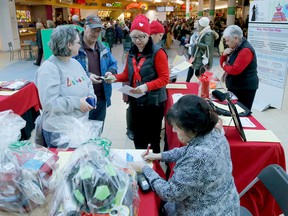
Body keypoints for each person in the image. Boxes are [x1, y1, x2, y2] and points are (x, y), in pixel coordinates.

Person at [130, 95, 240, 215]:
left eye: (177, 128)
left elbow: (170, 193)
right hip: (225, 203)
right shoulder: (213, 133)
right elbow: (189, 150)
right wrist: (160, 156)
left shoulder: (198, 157)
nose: (173, 131)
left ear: (192, 129)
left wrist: (145, 169)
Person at [106, 15, 169, 153]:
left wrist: (146, 86)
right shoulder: (132, 53)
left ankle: (154, 169)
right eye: (134, 37)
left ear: (148, 35)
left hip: (154, 102)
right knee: (138, 138)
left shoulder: (158, 53)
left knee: (152, 139)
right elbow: (127, 74)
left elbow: (165, 78)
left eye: (141, 36)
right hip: (136, 100)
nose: (138, 41)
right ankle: (140, 166)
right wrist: (114, 78)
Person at [35, 25, 96, 147]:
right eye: (78, 42)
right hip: (59, 131)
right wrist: (77, 103)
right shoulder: (49, 68)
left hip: (78, 126)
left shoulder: (74, 62)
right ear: (69, 45)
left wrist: (91, 96)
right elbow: (49, 103)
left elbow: (87, 82)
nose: (81, 45)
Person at [74, 15, 118, 131]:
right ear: (84, 27)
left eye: (98, 31)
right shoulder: (75, 48)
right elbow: (70, 72)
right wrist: (88, 76)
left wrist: (110, 72)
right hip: (82, 100)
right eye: (93, 30)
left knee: (97, 133)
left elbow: (113, 64)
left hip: (101, 98)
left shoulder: (103, 48)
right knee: (80, 134)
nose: (96, 34)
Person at [220, 25, 259, 110]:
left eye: (227, 41)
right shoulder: (235, 47)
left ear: (236, 38)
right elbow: (223, 64)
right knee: (232, 109)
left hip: (244, 88)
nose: (226, 43)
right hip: (235, 85)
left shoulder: (245, 50)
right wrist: (224, 55)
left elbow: (235, 70)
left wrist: (224, 66)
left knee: (242, 111)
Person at [186, 17, 214, 82]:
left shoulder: (208, 33)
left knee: (199, 72)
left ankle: (205, 85)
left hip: (203, 56)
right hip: (199, 55)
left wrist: (197, 43)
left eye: (197, 22)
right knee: (198, 72)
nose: (195, 23)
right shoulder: (202, 32)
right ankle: (203, 85)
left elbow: (208, 46)